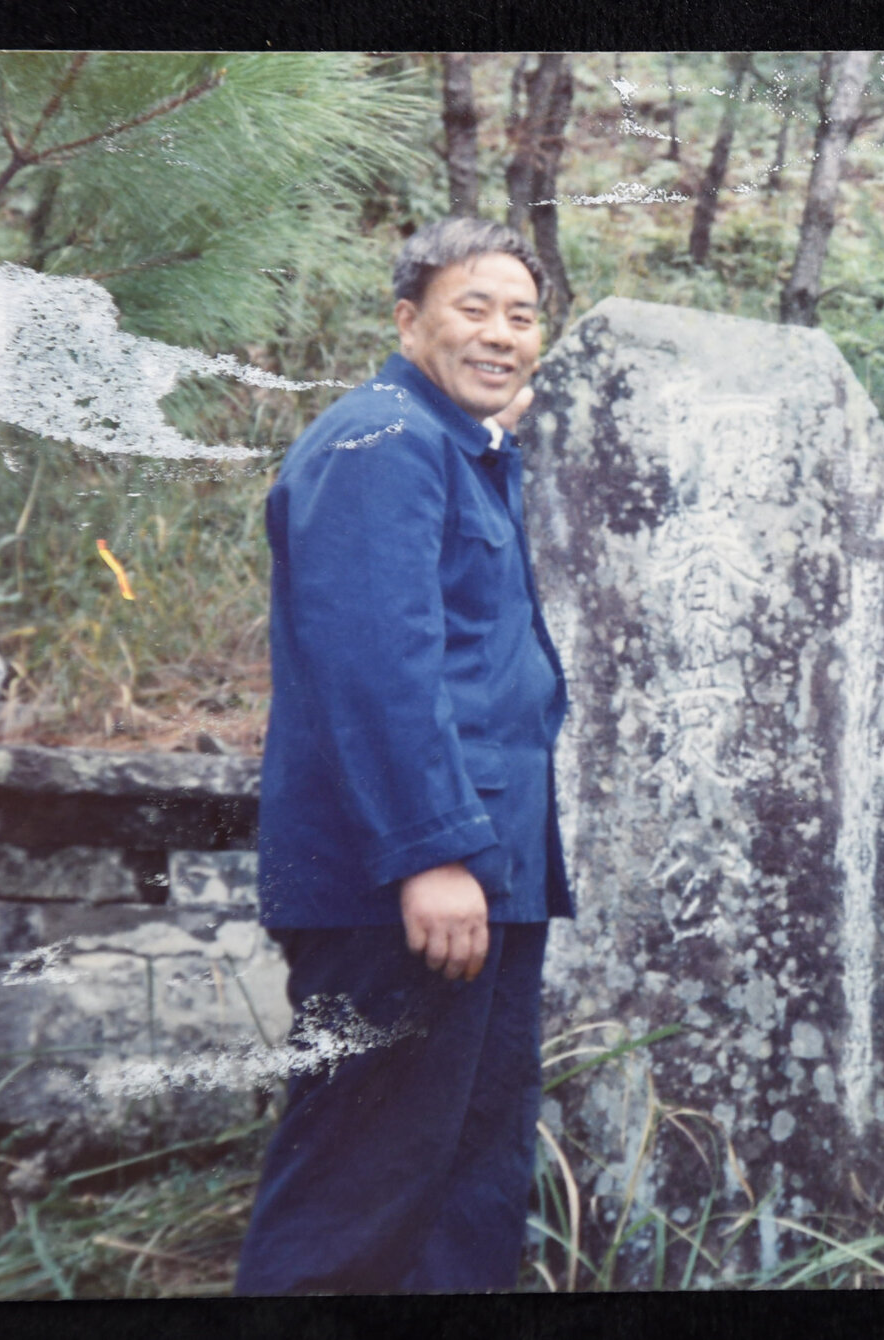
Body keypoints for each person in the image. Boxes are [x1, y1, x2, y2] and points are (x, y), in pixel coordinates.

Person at [234, 217, 571, 1294]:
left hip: (486, 874)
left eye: (523, 316)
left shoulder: (450, 446)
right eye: (473, 307)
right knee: (356, 1188)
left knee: (462, 1190)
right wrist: (430, 852)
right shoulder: (379, 443)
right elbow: (379, 664)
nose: (502, 334)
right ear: (405, 318)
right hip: (407, 884)